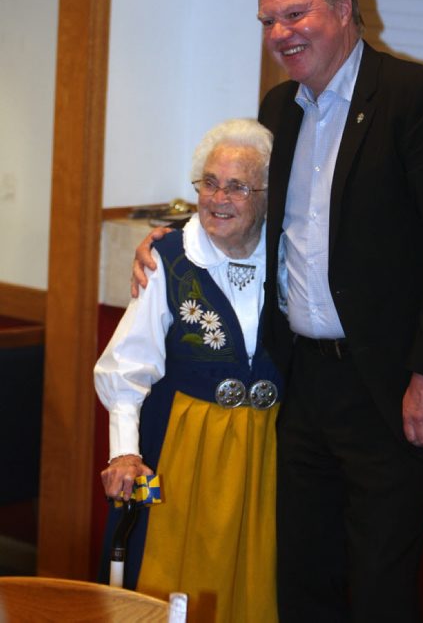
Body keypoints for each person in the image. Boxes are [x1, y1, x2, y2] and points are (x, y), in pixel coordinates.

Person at [132, 0, 423, 623]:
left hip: (391, 389)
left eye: (295, 14)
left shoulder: (419, 98)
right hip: (300, 384)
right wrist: (171, 244)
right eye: (268, 21)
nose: (280, 35)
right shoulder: (280, 107)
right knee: (302, 579)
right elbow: (248, 217)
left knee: (381, 588)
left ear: (343, 8)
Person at [95, 118, 282, 623]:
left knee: (263, 583)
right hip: (183, 452)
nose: (218, 197)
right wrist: (126, 452)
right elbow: (126, 367)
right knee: (170, 582)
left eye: (237, 186)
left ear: (268, 193)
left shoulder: (291, 257)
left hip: (271, 455)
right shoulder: (168, 260)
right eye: (209, 182)